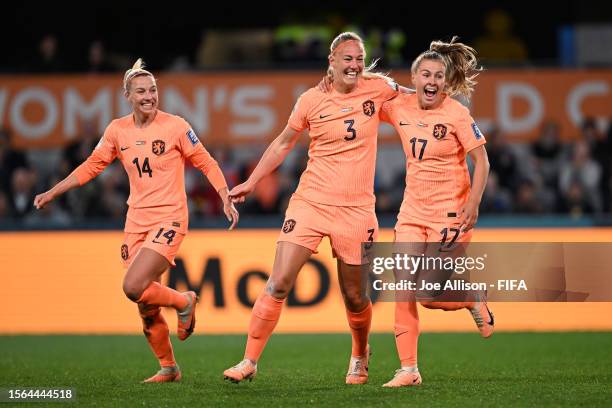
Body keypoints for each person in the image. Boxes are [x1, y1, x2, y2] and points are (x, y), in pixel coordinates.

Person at [33, 59, 239, 383]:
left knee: (132, 286)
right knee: (145, 302)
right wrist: (54, 191)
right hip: (136, 221)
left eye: (153, 90)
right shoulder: (117, 130)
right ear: (127, 95)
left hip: (170, 216)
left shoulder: (175, 126)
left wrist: (225, 194)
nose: (149, 96)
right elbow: (91, 166)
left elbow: (206, 161)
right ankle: (169, 367)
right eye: (141, 91)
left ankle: (185, 301)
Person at [223, 32, 403, 385]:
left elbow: (415, 106)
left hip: (356, 209)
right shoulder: (310, 99)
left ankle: (359, 352)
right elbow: (283, 143)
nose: (353, 65)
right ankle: (249, 361)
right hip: (311, 201)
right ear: (332, 62)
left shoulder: (379, 89)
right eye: (346, 58)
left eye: (358, 59)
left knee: (354, 297)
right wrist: (254, 180)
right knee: (278, 283)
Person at [378, 37, 492, 387]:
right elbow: (365, 99)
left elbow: (482, 161)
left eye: (438, 76)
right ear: (414, 79)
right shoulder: (400, 106)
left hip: (450, 214)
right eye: (425, 74)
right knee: (404, 288)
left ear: (445, 81)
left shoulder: (457, 113)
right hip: (412, 212)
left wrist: (472, 203)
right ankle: (408, 370)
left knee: (428, 296)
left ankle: (473, 298)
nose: (432, 81)